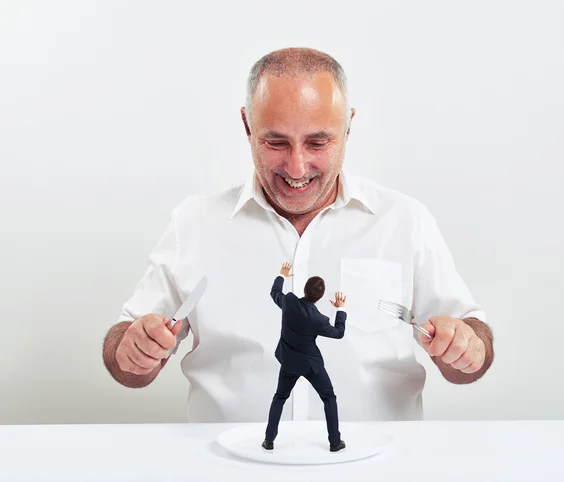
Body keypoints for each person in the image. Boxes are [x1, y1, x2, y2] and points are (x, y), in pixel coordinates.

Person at [102, 47, 494, 424]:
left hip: (376, 468)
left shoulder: (405, 220)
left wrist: (464, 348)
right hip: (227, 466)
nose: (297, 166)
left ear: (349, 126)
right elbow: (126, 360)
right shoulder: (194, 224)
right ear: (246, 125)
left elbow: (468, 355)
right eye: (275, 142)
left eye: (317, 142)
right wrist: (133, 350)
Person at [263, 262, 347, 452]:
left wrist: (282, 275)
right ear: (321, 297)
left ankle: (269, 440)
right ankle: (335, 442)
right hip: (311, 365)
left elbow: (275, 292)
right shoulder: (318, 320)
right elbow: (338, 332)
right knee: (329, 398)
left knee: (279, 397)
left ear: (304, 289)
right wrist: (340, 309)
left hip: (289, 362)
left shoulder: (290, 302)